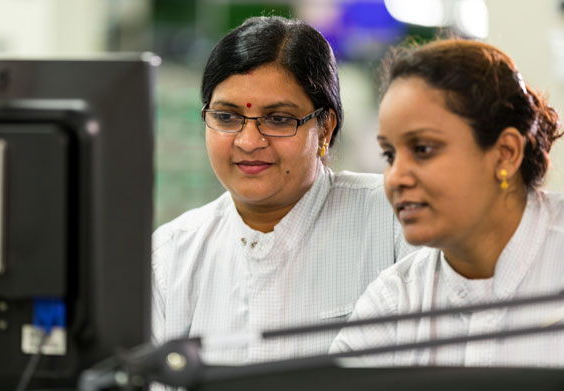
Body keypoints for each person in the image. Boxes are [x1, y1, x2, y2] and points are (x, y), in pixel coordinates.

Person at [152, 16, 412, 364]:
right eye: (227, 117)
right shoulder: (171, 257)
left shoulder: (396, 221)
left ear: (324, 129)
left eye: (278, 119)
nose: (248, 141)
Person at [331, 38, 564, 367]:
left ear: (506, 153)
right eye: (390, 154)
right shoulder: (396, 300)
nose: (396, 177)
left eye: (423, 149)